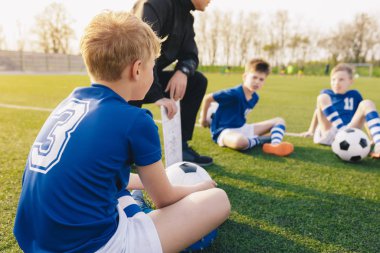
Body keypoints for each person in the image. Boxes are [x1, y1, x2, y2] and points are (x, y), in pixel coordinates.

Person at [13, 11, 230, 253]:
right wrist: (201, 187)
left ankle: (136, 214)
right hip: (90, 247)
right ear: (137, 69)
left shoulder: (70, 103)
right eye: (153, 68)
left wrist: (145, 184)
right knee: (218, 200)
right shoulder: (136, 120)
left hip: (32, 240)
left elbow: (100, 175)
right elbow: (164, 199)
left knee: (119, 189)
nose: (153, 74)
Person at [131, 0, 213, 166]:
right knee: (130, 81)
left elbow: (190, 55)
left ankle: (181, 147)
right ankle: (124, 150)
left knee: (196, 81)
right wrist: (156, 95)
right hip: (128, 76)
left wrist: (182, 72)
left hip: (151, 75)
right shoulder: (155, 3)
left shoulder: (186, 17)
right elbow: (142, 50)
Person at [199, 58, 294, 157]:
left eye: (261, 79)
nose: (257, 82)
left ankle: (274, 146)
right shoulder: (234, 93)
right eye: (254, 77)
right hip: (225, 131)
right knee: (240, 142)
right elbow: (207, 98)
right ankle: (259, 140)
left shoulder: (255, 97)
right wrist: (203, 119)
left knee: (279, 121)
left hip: (242, 128)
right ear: (245, 77)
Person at [300, 63, 380, 158]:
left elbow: (365, 116)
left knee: (367, 103)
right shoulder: (327, 93)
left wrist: (371, 138)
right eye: (333, 79)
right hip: (329, 131)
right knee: (322, 97)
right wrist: (311, 130)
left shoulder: (354, 95)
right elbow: (317, 112)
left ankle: (378, 143)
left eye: (341, 80)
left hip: (349, 131)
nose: (336, 83)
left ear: (351, 81)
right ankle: (341, 129)